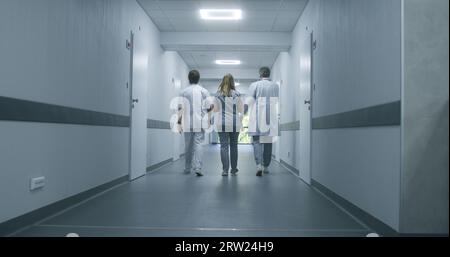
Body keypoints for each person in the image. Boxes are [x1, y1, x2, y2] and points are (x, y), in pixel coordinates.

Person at [178, 70, 213, 177]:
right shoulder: (204, 91)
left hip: (187, 122)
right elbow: (210, 106)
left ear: (189, 79)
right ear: (198, 79)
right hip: (200, 121)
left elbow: (180, 108)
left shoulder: (183, 92)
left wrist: (179, 122)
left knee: (188, 145)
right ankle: (198, 167)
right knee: (198, 144)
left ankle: (187, 168)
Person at [247, 67, 280, 177]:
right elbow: (276, 100)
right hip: (270, 117)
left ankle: (259, 165)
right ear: (269, 74)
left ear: (260, 74)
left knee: (257, 141)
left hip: (257, 116)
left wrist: (243, 113)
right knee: (268, 142)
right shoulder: (275, 85)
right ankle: (266, 166)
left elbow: (250, 101)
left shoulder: (254, 85)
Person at [212, 74, 244, 176]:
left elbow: (215, 109)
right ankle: (234, 169)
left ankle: (225, 170)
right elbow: (240, 109)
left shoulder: (217, 95)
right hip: (234, 123)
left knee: (224, 146)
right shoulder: (237, 94)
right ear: (232, 82)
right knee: (234, 146)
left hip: (222, 123)